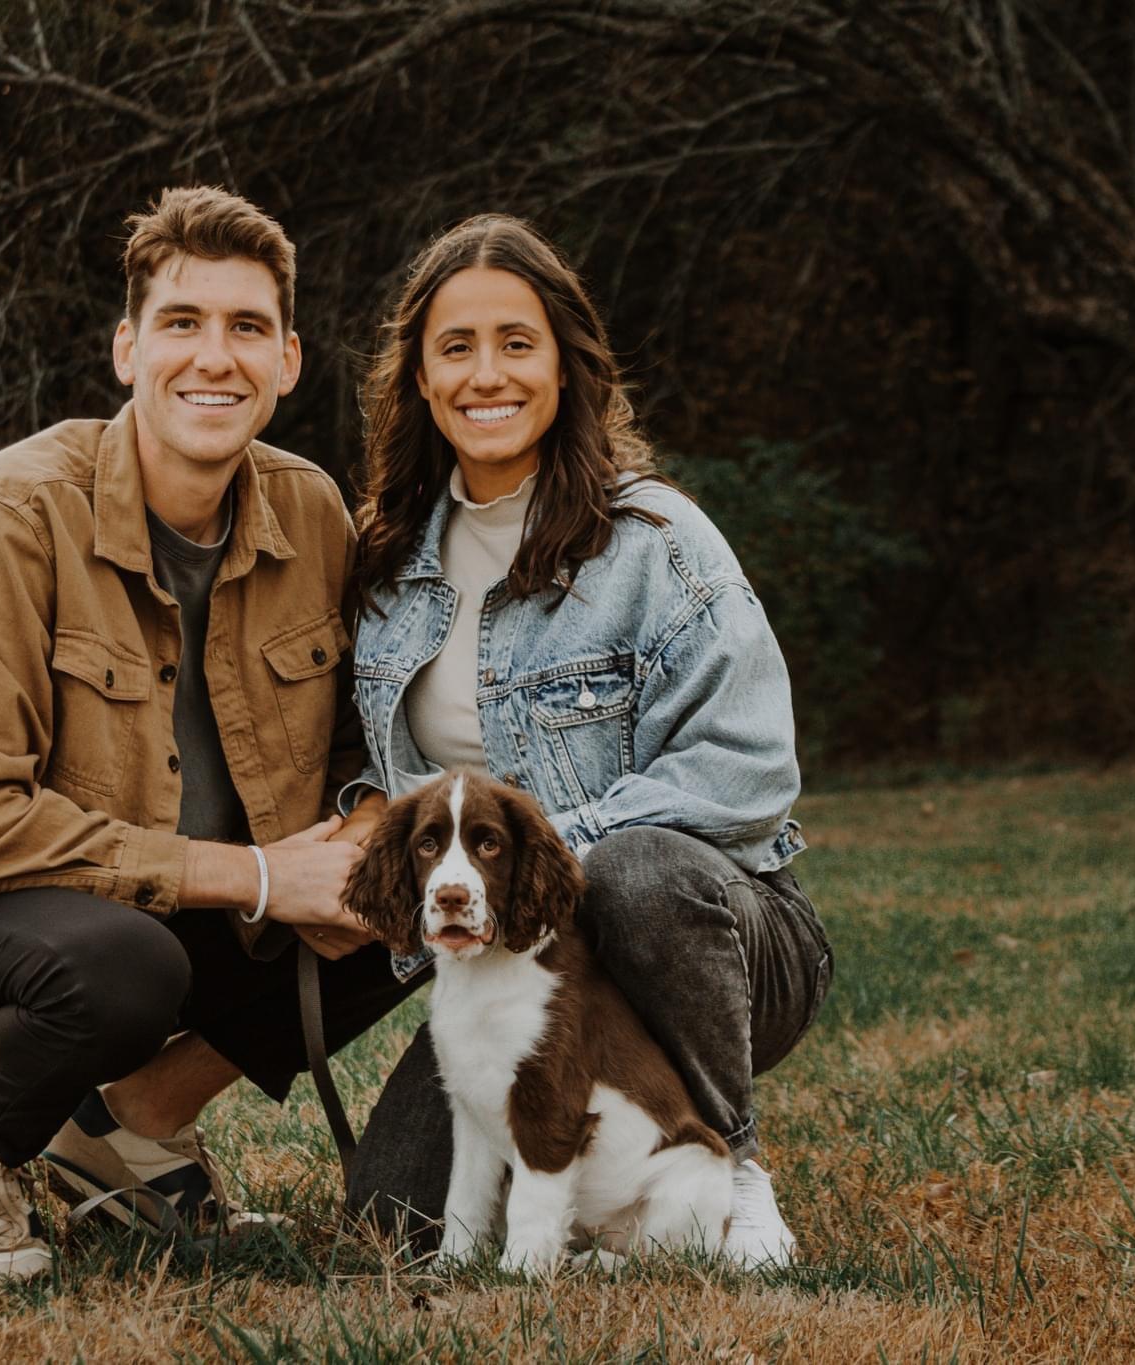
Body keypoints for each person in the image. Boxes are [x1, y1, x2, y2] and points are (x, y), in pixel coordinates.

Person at [0, 186, 404, 1282]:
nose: (213, 357)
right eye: (181, 323)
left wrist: (363, 829)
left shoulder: (312, 511)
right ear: (127, 349)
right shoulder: (12, 513)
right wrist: (262, 879)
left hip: (179, 909)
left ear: (287, 361)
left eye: (246, 327)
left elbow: (350, 750)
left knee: (424, 879)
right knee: (122, 964)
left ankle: (128, 1128)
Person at [335, 214, 833, 1268]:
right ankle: (603, 1220)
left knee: (636, 869)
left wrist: (546, 848)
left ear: (565, 366)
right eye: (456, 347)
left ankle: (733, 1166)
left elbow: (745, 772)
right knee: (395, 1216)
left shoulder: (656, 542)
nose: (487, 374)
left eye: (517, 343)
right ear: (420, 378)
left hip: (706, 942)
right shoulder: (385, 566)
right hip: (518, 969)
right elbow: (371, 769)